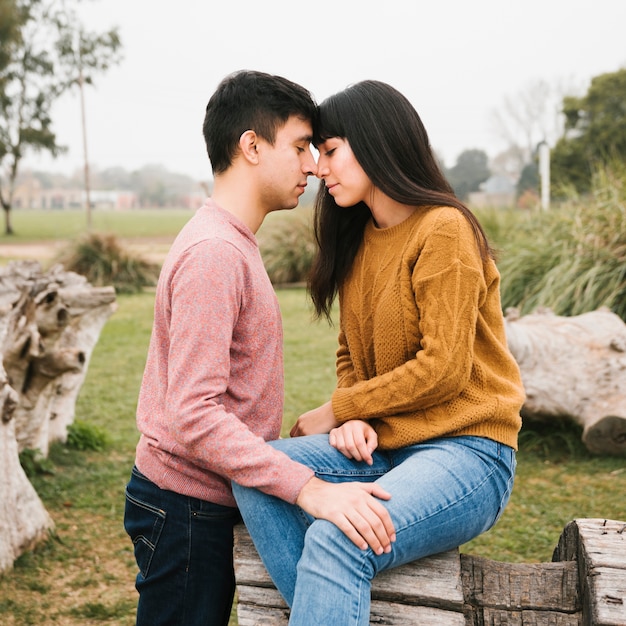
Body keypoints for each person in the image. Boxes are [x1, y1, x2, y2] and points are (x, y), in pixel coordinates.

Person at [232, 79, 526, 625]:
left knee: (336, 539)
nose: (319, 168)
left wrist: (340, 410)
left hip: (468, 451)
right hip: (388, 448)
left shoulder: (445, 229)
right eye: (316, 153)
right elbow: (350, 353)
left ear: (375, 143)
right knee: (258, 468)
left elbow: (444, 369)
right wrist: (355, 414)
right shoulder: (359, 238)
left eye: (331, 150)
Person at [123, 70, 395, 626]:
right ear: (251, 145)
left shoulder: (230, 242)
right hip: (185, 507)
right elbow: (195, 415)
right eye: (299, 147)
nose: (313, 166)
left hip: (200, 502)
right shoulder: (215, 254)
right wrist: (308, 490)